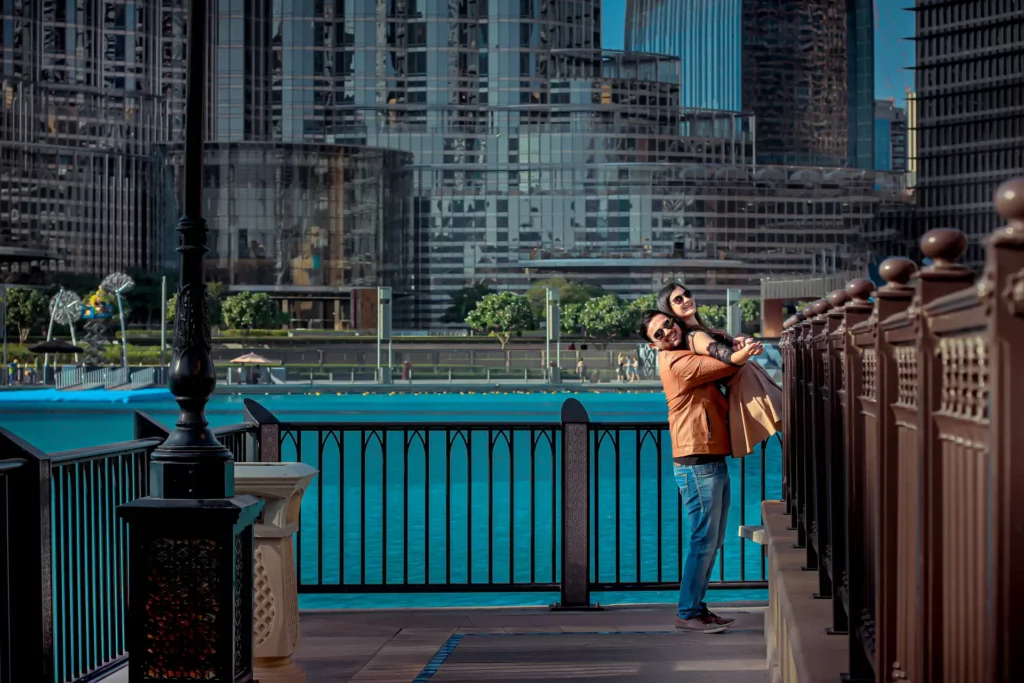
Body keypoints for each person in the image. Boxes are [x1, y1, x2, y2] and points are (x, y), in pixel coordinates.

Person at [637, 309, 763, 633]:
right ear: (654, 345)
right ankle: (688, 612)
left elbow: (720, 352)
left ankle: (697, 607)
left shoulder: (685, 351)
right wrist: (742, 351)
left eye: (667, 324)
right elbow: (726, 362)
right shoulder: (677, 363)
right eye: (658, 333)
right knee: (702, 540)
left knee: (712, 539)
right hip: (696, 462)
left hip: (709, 458)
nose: (667, 331)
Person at [657, 283, 783, 458]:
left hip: (751, 386)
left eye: (687, 294)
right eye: (678, 299)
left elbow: (728, 351)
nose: (687, 300)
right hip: (748, 389)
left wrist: (742, 342)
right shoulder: (694, 336)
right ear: (669, 309)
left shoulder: (703, 331)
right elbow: (726, 357)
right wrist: (744, 353)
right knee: (795, 419)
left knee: (794, 420)